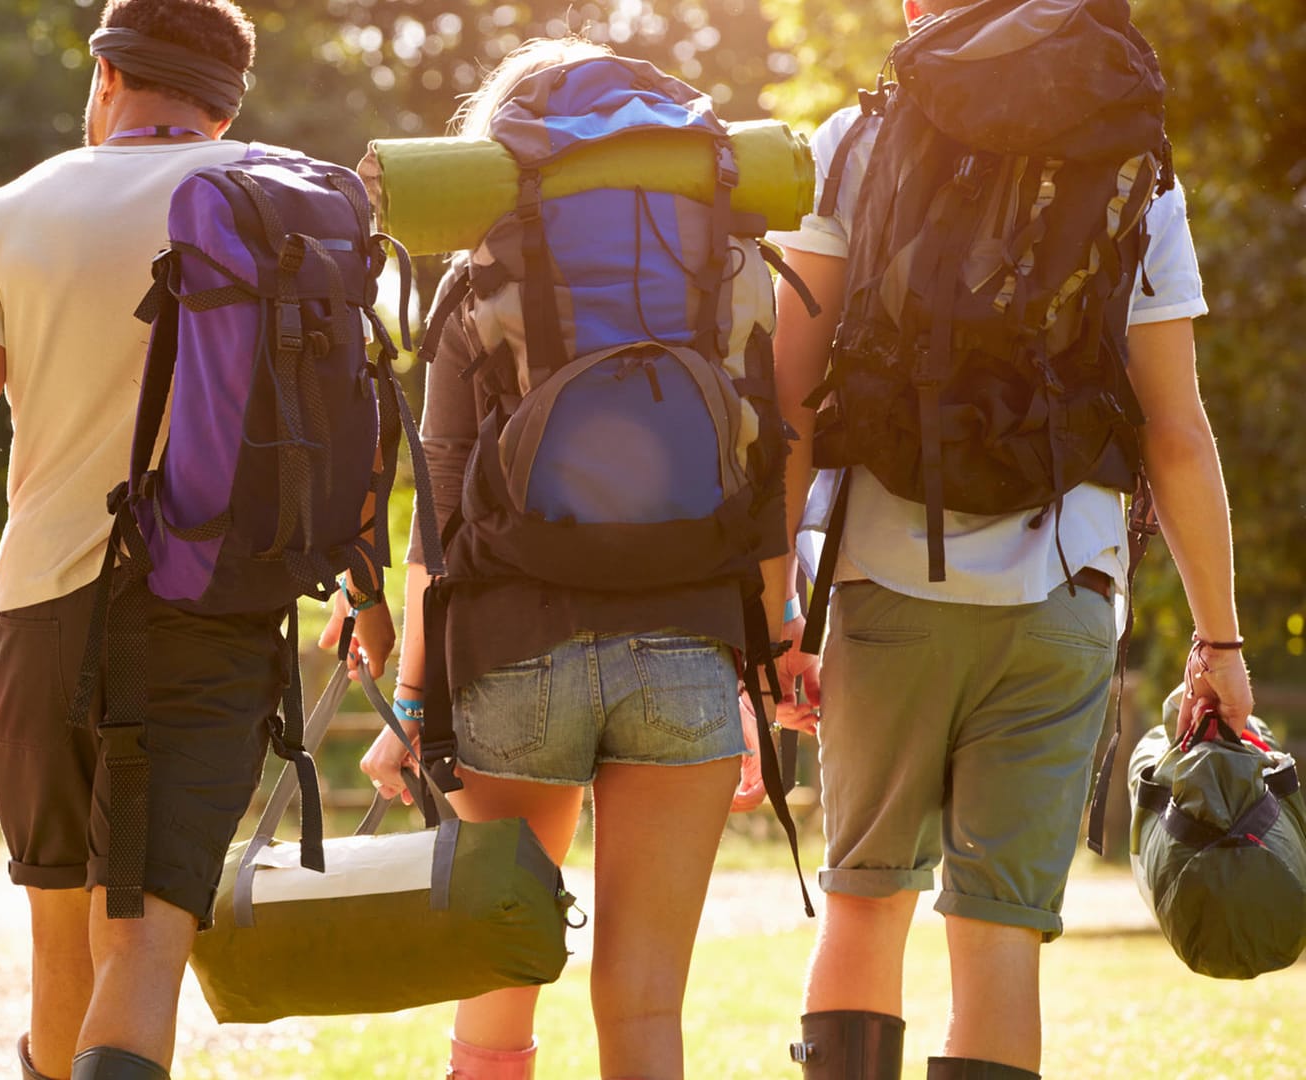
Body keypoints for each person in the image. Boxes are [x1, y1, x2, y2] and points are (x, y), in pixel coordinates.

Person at [0, 4, 390, 1079]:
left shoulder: (6, 213)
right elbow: (353, 407)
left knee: (58, 932)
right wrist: (365, 577)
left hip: (42, 609)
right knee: (146, 936)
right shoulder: (283, 199)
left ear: (108, 77)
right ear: (227, 102)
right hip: (210, 608)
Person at [771, 2, 1253, 1077]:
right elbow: (1175, 434)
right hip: (1065, 586)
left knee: (862, 905)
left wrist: (772, 599)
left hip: (887, 578)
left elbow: (789, 399)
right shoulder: (1135, 153)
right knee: (998, 940)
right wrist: (1218, 645)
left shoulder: (858, 138)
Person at [360, 36, 812, 1080]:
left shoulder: (482, 282)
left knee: (496, 996)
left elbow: (435, 516)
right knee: (646, 1007)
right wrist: (769, 646)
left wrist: (413, 695)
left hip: (516, 653)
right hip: (687, 654)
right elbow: (764, 483)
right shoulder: (725, 271)